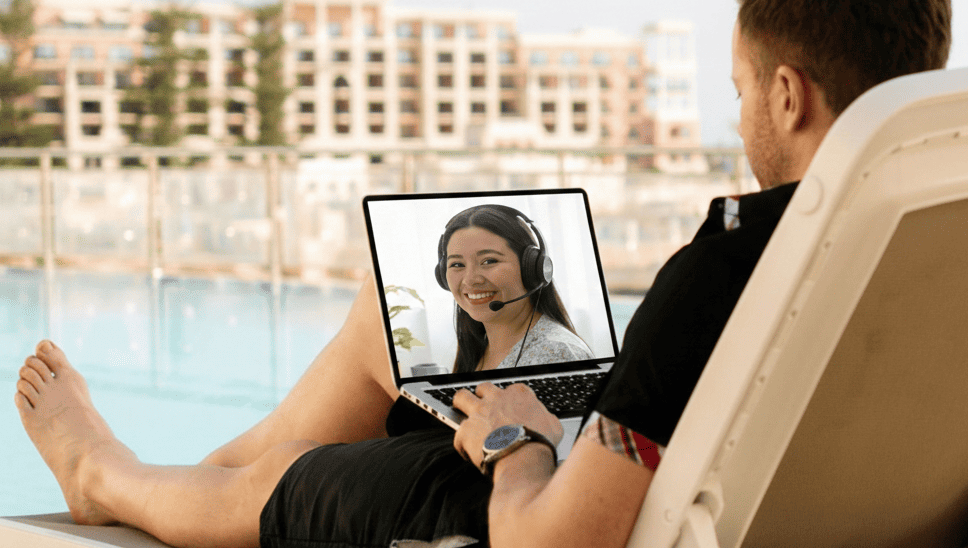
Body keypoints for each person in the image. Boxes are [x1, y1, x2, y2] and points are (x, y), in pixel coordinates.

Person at [13, 1, 951, 547]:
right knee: (389, 322)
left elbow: (552, 543)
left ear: (787, 96)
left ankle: (110, 477)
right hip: (658, 470)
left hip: (538, 510)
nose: (739, 117)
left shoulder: (727, 264)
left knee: (296, 477)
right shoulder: (928, 246)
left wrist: (515, 441)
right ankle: (195, 482)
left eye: (741, 91)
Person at [435, 204, 591, 373]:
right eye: (457, 264)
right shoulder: (480, 349)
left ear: (531, 268)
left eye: (489, 261)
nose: (471, 280)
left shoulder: (555, 354)